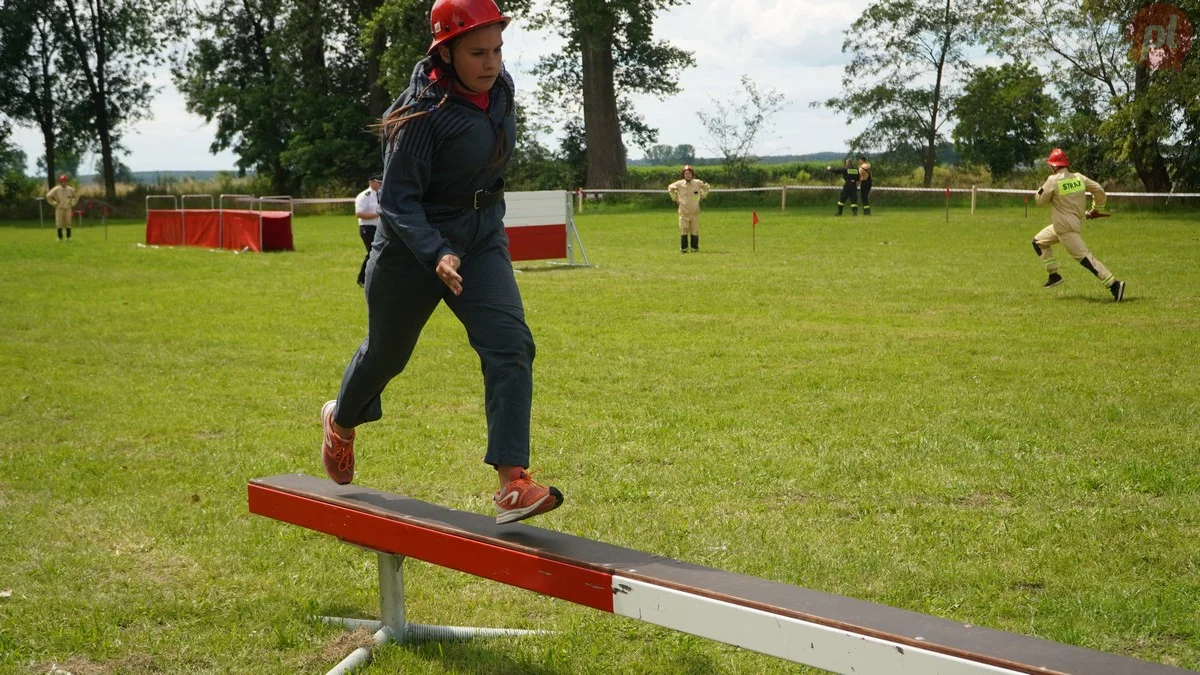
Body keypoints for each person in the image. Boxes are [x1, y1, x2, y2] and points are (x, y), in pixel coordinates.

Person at [320, 0, 563, 525]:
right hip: (411, 250)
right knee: (387, 355)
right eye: (477, 52)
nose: (492, 62)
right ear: (445, 51)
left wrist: (471, 235)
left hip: (480, 240)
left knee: (511, 344)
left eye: (498, 49)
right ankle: (340, 422)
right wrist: (436, 251)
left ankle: (512, 483)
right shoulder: (421, 114)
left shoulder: (500, 89)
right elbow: (399, 200)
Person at [1032, 148, 1125, 302]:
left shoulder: (1053, 180)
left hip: (1065, 229)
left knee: (1086, 259)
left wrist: (1041, 190)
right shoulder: (1079, 178)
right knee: (1038, 242)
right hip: (1064, 226)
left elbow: (1039, 201)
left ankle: (1114, 284)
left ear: (1054, 166)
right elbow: (1099, 190)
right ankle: (1054, 275)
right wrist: (1097, 209)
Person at [667, 165, 709, 253]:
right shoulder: (679, 184)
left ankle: (694, 248)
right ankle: (684, 249)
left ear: (692, 174)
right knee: (683, 230)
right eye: (686, 173)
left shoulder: (697, 183)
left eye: (689, 173)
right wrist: (675, 198)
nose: (688, 175)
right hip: (683, 213)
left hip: (694, 213)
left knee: (694, 231)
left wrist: (702, 196)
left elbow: (706, 187)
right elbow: (670, 188)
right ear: (683, 174)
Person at [354, 173, 383, 287]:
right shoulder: (364, 196)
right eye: (378, 182)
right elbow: (359, 213)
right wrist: (377, 214)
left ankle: (374, 277)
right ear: (371, 182)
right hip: (367, 228)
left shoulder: (381, 194)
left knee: (379, 253)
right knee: (372, 253)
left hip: (379, 228)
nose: (380, 184)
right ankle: (362, 278)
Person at [45, 174, 78, 241]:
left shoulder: (70, 189)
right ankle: (60, 237)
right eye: (62, 181)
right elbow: (48, 196)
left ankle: (68, 237)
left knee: (68, 223)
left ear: (67, 182)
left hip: (68, 208)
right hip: (59, 208)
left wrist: (73, 203)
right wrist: (54, 203)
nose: (64, 183)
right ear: (60, 182)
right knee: (59, 223)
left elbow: (76, 196)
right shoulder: (56, 189)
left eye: (65, 181)